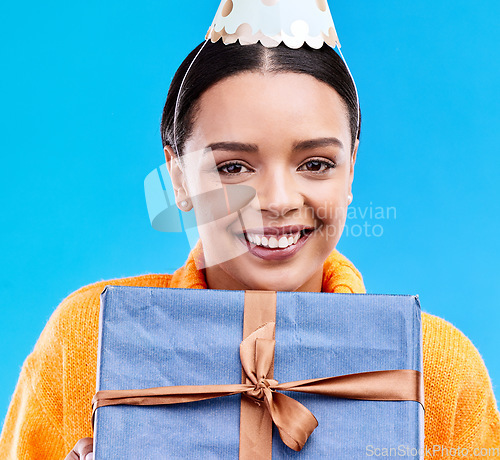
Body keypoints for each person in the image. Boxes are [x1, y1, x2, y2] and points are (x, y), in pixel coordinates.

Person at [1, 40, 499, 459]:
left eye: (317, 163)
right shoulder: (89, 340)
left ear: (350, 171)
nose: (278, 201)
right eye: (233, 167)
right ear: (178, 178)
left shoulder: (434, 366)